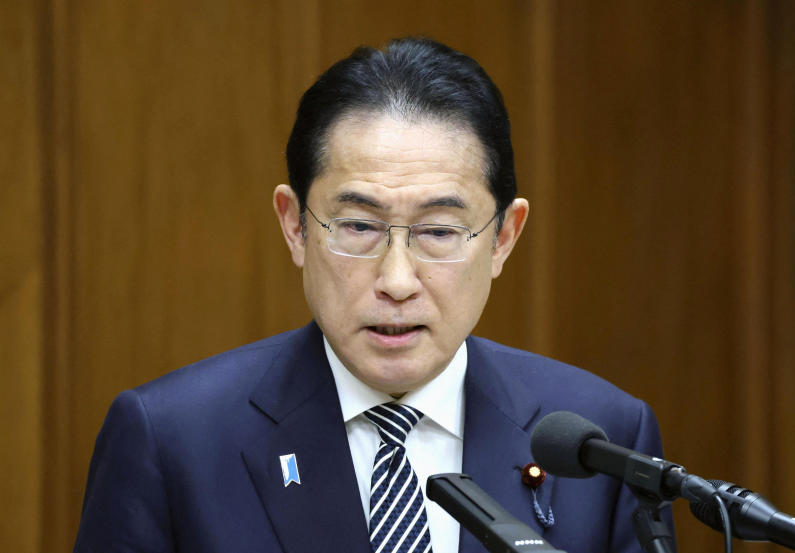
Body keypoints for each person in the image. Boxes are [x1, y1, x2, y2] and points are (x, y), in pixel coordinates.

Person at [74, 37, 673, 553]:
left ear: (503, 239)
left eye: (439, 232)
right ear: (296, 226)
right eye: (359, 227)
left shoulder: (604, 440)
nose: (397, 280)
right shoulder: (172, 440)